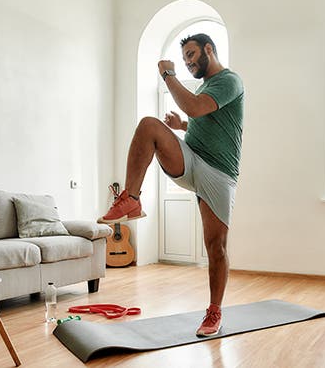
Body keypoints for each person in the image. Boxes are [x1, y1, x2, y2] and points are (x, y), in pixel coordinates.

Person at [100, 33, 244, 337]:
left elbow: (195, 107)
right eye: (184, 59)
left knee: (215, 247)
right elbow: (201, 118)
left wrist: (168, 74)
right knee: (150, 126)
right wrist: (182, 128)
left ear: (208, 50)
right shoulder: (206, 87)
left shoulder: (229, 81)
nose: (188, 63)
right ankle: (131, 198)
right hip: (192, 159)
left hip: (219, 173)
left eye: (191, 55)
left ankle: (214, 311)